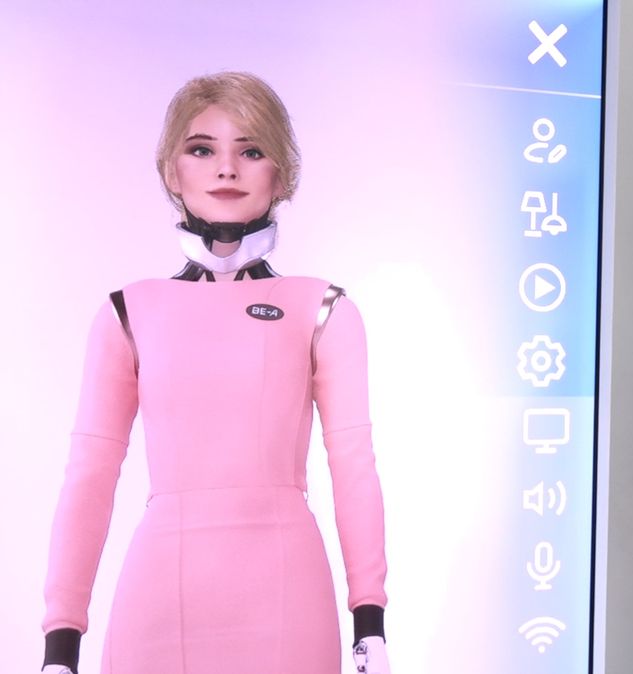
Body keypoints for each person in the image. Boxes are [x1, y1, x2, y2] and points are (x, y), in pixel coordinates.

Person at [40, 72, 391, 674]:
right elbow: (90, 474)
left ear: (282, 174)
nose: (226, 169)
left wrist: (371, 625)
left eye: (251, 151)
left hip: (287, 597)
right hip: (159, 597)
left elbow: (353, 464)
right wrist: (60, 642)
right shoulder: (129, 311)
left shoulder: (322, 309)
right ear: (171, 172)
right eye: (202, 149)